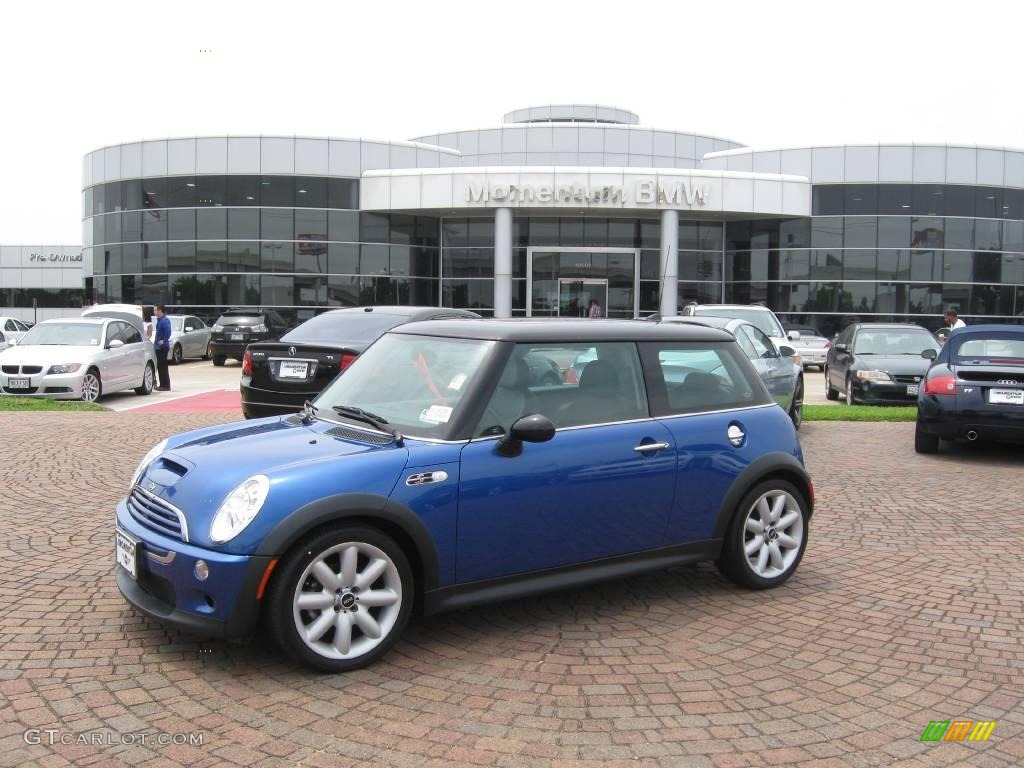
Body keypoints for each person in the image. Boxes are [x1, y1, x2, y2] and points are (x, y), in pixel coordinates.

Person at [153, 304, 172, 391]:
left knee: (163, 366)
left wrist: (163, 341)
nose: (154, 312)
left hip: (162, 347)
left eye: (155, 310)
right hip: (158, 347)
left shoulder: (164, 320)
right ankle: (163, 384)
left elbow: (168, 332)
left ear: (160, 311)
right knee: (161, 366)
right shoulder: (160, 320)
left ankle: (166, 385)